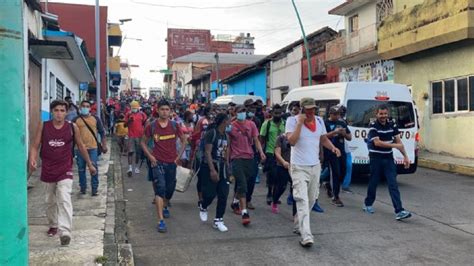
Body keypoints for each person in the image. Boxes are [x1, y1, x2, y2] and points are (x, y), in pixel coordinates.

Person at [28, 100, 97, 246]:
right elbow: (35, 145)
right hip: (48, 168)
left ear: (66, 113)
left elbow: (81, 146)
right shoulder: (44, 126)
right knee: (49, 200)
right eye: (56, 110)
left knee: (64, 197)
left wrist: (90, 164)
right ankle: (53, 224)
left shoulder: (72, 127)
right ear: (52, 112)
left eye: (62, 110)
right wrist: (32, 159)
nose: (59, 113)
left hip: (65, 168)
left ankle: (65, 231)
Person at [286, 97, 341, 247]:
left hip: (315, 166)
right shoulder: (292, 121)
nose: (311, 111)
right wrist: (299, 123)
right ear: (302, 108)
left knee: (311, 200)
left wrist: (333, 148)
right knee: (302, 200)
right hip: (298, 167)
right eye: (308, 109)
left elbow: (323, 139)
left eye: (313, 109)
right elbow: (292, 141)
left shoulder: (319, 121)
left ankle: (298, 222)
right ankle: (306, 236)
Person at [141, 99, 186, 233]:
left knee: (170, 189)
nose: (165, 112)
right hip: (158, 162)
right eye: (162, 109)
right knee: (160, 189)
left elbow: (184, 140)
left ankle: (165, 204)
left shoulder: (174, 125)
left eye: (167, 109)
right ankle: (160, 220)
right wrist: (151, 157)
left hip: (171, 162)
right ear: (157, 110)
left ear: (170, 111)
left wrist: (178, 157)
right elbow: (143, 142)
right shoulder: (152, 126)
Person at [363, 105, 412, 220]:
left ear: (388, 114)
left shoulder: (392, 125)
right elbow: (377, 143)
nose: (383, 116)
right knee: (374, 182)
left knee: (393, 184)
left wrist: (405, 156)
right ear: (376, 114)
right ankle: (368, 204)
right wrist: (394, 145)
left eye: (385, 114)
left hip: (388, 158)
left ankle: (399, 211)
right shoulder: (373, 126)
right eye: (381, 114)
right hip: (376, 158)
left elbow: (399, 141)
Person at [228, 105, 266, 226]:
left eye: (244, 111)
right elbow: (227, 144)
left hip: (249, 157)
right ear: (235, 113)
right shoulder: (231, 127)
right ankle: (245, 212)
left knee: (245, 182)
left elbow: (256, 140)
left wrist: (261, 152)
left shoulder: (251, 125)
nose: (242, 113)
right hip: (237, 158)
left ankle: (234, 201)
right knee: (242, 184)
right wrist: (227, 161)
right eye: (239, 112)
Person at [198, 113, 231, 232]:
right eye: (228, 120)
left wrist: (228, 167)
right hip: (211, 166)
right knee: (211, 194)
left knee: (223, 194)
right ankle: (204, 205)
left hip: (222, 167)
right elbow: (207, 152)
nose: (230, 122)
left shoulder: (226, 136)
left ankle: (218, 220)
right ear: (224, 122)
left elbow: (227, 151)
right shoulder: (212, 134)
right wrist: (212, 170)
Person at [73, 100, 108, 196]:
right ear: (80, 108)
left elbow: (102, 132)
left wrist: (104, 145)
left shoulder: (95, 118)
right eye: (83, 106)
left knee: (94, 168)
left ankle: (94, 189)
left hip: (93, 147)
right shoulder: (75, 120)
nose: (85, 108)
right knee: (81, 169)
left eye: (87, 106)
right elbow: (71, 134)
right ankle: (83, 188)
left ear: (90, 108)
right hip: (79, 149)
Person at [324, 105, 352, 207]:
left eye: (339, 114)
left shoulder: (342, 123)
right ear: (330, 114)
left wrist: (344, 134)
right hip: (330, 151)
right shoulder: (325, 123)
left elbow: (349, 137)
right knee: (336, 172)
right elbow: (322, 137)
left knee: (343, 171)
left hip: (341, 151)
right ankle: (336, 197)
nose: (337, 116)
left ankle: (329, 186)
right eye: (335, 114)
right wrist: (334, 132)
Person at [259, 105, 285, 209]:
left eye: (279, 113)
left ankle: (275, 196)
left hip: (282, 153)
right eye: (276, 113)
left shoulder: (285, 123)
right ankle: (269, 193)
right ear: (272, 113)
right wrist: (261, 153)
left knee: (279, 176)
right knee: (272, 175)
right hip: (270, 152)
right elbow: (262, 138)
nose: (277, 115)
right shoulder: (267, 124)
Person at [125, 101, 147, 177]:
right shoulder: (128, 114)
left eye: (135, 108)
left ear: (138, 107)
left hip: (139, 136)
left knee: (138, 152)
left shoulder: (142, 114)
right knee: (130, 152)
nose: (133, 109)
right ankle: (130, 168)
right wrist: (129, 121)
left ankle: (136, 167)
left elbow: (144, 123)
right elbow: (125, 125)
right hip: (131, 135)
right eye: (132, 108)